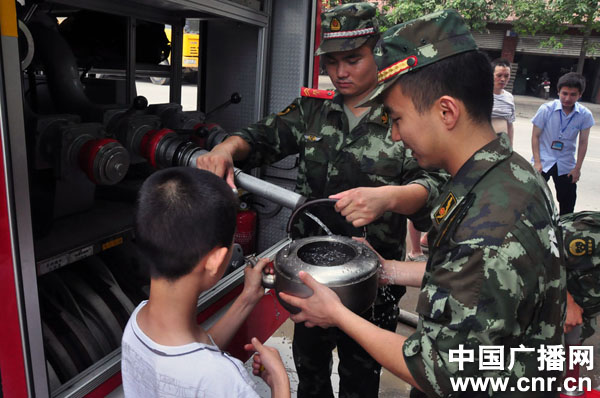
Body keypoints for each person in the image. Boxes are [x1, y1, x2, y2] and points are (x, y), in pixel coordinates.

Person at [280, 10, 565, 397]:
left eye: (397, 119)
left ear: (446, 111)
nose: (395, 135)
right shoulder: (507, 175)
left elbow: (438, 371)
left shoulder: (488, 222)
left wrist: (338, 315)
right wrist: (389, 270)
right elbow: (469, 276)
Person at [196, 3, 447, 398]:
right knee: (310, 372)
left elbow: (433, 183)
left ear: (377, 52)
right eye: (331, 62)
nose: (341, 72)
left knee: (360, 377)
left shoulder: (399, 111)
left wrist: (390, 197)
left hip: (372, 281)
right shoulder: (313, 109)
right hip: (309, 275)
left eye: (352, 59)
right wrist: (227, 148)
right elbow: (262, 137)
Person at [120, 167, 290, 398]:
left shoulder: (137, 323)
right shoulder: (224, 381)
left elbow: (195, 353)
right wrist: (280, 383)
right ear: (215, 260)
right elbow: (204, 369)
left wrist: (247, 298)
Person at [531, 71, 595, 215]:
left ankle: (564, 232)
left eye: (573, 94)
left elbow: (583, 142)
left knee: (567, 202)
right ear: (558, 91)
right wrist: (537, 162)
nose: (567, 98)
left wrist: (577, 168)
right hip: (544, 161)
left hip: (566, 164)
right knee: (531, 199)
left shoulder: (585, 115)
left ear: (580, 95)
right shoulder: (546, 110)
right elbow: (535, 136)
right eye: (564, 93)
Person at [561, 211, 600, 341]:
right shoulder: (588, 235)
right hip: (551, 298)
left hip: (584, 304)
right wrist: (566, 303)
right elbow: (537, 257)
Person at [490, 58, 516, 145]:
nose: (503, 79)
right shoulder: (481, 96)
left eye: (506, 76)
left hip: (502, 147)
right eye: (499, 75)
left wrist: (511, 146)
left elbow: (510, 125)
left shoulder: (509, 98)